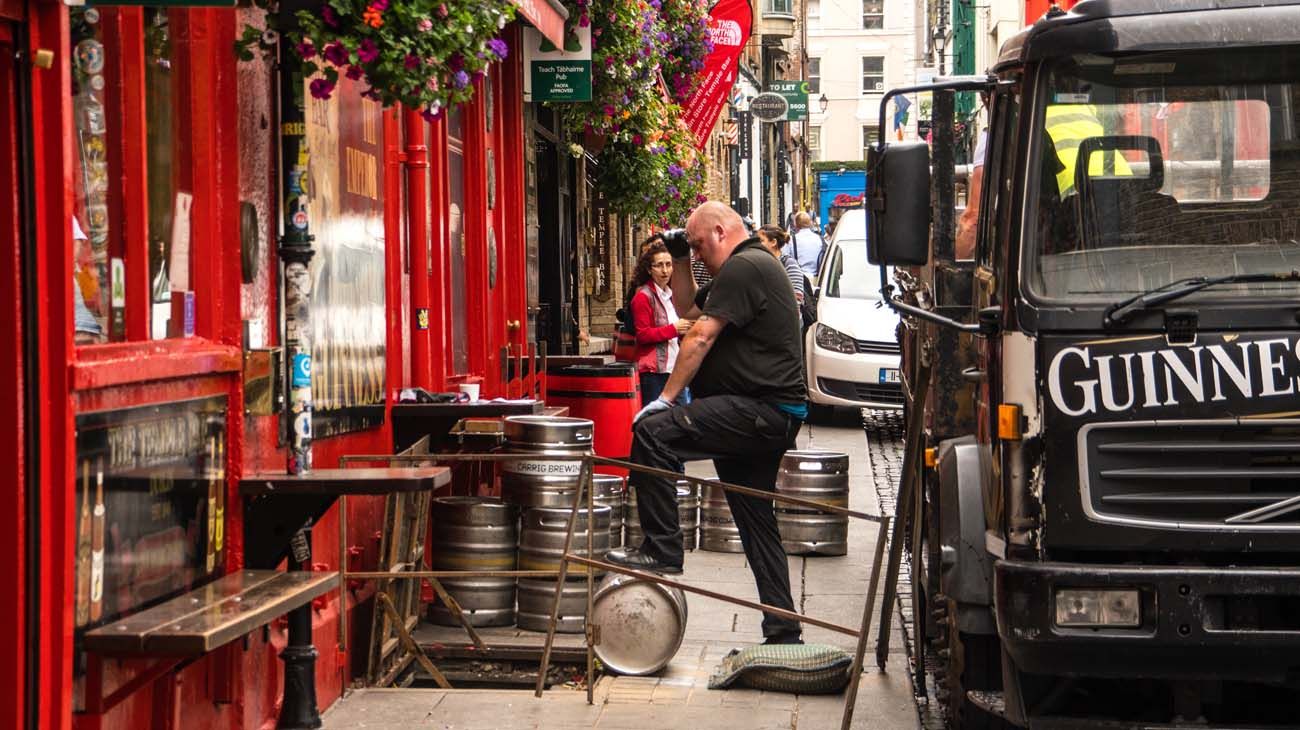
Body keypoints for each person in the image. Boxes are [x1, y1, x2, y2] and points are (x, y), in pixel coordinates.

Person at [606, 200, 807, 645]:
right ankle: (783, 627)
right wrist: (677, 255)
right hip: (765, 414)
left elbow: (699, 335)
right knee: (755, 519)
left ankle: (661, 549)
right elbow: (683, 311)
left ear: (720, 232)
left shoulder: (747, 266)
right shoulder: (734, 271)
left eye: (697, 245)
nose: (695, 256)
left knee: (652, 434)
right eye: (690, 250)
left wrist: (667, 400)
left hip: (758, 410)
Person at [626, 242, 693, 405]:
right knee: (656, 421)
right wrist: (674, 329)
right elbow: (642, 335)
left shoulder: (671, 294)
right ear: (649, 269)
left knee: (682, 417)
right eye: (659, 265)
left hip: (675, 369)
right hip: (653, 372)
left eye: (668, 264)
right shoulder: (643, 296)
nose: (665, 270)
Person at [789, 211, 823, 277]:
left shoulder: (791, 240)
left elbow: (786, 260)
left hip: (799, 279)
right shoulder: (820, 239)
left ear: (795, 224)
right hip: (818, 279)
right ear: (810, 223)